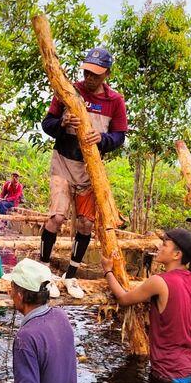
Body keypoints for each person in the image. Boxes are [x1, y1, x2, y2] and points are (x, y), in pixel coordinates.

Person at [39, 47, 127, 281]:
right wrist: (62, 121)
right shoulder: (68, 91)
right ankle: (44, 267)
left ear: (107, 73)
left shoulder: (115, 101)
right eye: (87, 72)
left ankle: (71, 273)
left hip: (89, 171)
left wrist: (103, 138)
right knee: (56, 217)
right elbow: (47, 123)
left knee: (86, 223)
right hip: (63, 163)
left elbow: (119, 136)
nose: (89, 78)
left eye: (95, 74)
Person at [100, 228, 191, 383]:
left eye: (164, 245)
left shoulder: (159, 282)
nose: (159, 247)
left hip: (170, 372)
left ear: (176, 255)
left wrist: (108, 271)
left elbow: (123, 299)